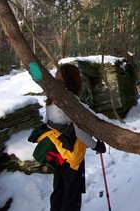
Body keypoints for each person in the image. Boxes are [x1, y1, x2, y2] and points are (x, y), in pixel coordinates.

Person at [45, 63, 106, 211]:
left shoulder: (51, 100)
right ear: (74, 79)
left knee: (59, 190)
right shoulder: (70, 101)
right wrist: (96, 145)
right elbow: (80, 133)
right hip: (72, 154)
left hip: (57, 152)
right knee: (71, 195)